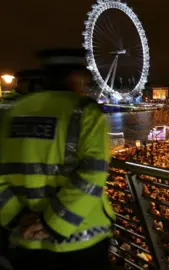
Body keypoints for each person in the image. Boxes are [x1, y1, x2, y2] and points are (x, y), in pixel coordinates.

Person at [0, 48, 114, 270]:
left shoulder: (10, 113)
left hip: (24, 237)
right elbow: (92, 174)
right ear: (75, 77)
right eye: (85, 78)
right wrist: (52, 223)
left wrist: (17, 217)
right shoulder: (86, 112)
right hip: (82, 237)